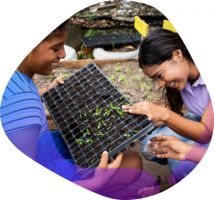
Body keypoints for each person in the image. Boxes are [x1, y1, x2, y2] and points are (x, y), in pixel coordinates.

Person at [0, 19, 147, 197]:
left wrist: (44, 91)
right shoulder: (20, 101)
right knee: (132, 164)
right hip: (44, 164)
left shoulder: (16, 78)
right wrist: (96, 182)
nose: (63, 54)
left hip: (41, 146)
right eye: (55, 48)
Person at [122, 29, 213, 183]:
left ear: (177, 55)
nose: (161, 84)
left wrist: (165, 115)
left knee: (181, 165)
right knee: (149, 145)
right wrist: (150, 114)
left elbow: (205, 133)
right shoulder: (184, 78)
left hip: (207, 129)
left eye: (160, 76)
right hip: (205, 120)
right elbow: (183, 111)